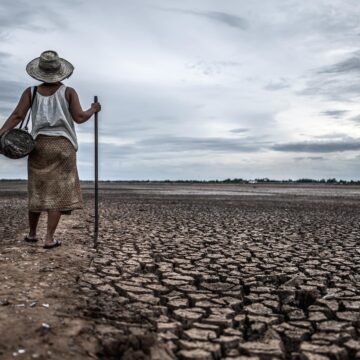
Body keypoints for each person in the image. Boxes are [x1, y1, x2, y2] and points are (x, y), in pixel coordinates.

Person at [0, 50, 101, 248]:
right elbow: (80, 117)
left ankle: (31, 234)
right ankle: (49, 238)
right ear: (61, 72)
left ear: (40, 72)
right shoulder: (69, 92)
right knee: (57, 193)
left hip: (38, 145)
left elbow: (17, 116)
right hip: (63, 146)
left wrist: (2, 131)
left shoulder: (31, 92)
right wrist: (93, 109)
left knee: (37, 189)